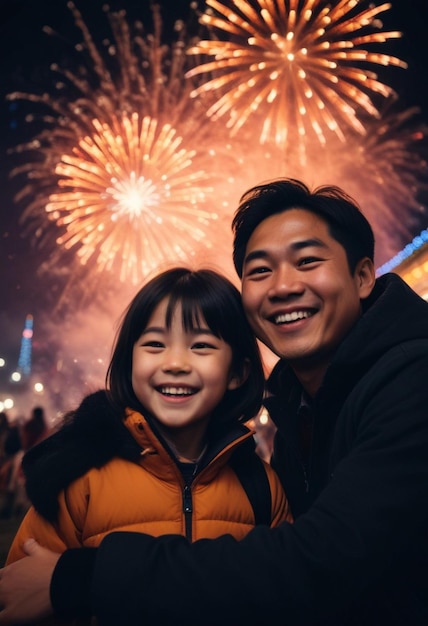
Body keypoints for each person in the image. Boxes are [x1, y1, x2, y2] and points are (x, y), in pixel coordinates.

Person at [1, 178, 428, 626]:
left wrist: (81, 578)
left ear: (363, 277)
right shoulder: (299, 413)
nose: (283, 286)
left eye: (307, 261)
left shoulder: (410, 380)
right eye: (260, 270)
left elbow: (316, 563)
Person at [0, 267, 290, 624]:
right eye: (155, 344)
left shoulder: (262, 486)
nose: (175, 364)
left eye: (201, 346)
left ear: (238, 373)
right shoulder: (79, 478)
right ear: (129, 360)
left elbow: (283, 598)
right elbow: (19, 597)